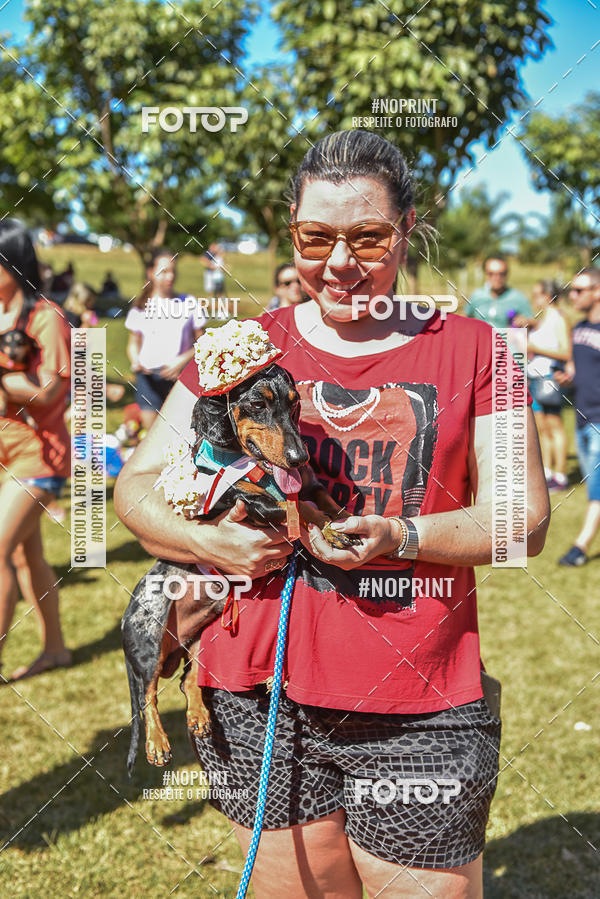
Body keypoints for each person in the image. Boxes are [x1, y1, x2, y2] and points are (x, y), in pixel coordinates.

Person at [115, 130, 549, 898]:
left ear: (407, 230)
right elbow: (136, 484)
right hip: (257, 696)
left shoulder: (481, 350)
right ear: (293, 233)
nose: (340, 261)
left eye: (367, 237)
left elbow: (525, 519)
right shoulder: (242, 346)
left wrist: (403, 536)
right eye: (316, 238)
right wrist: (208, 538)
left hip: (417, 706)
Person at [0, 219, 71, 681]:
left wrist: (4, 382)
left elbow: (49, 391)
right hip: (4, 452)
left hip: (39, 457)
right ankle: (56, 650)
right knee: (28, 557)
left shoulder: (45, 316)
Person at [125, 248, 206, 432]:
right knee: (151, 435)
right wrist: (136, 360)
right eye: (164, 272)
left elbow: (202, 342)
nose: (170, 276)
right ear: (151, 273)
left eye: (173, 271)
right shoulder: (140, 306)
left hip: (180, 379)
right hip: (148, 379)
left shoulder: (189, 303)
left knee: (181, 433)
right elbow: (133, 344)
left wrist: (181, 361)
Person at [556, 267, 600, 566]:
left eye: (579, 290)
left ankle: (580, 547)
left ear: (597, 292)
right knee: (593, 485)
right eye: (572, 290)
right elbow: (578, 369)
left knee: (597, 488)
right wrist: (568, 378)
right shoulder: (579, 328)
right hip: (582, 419)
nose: (573, 295)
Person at [524, 280, 570, 491]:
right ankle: (547, 472)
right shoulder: (543, 320)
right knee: (542, 428)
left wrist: (535, 348)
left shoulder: (559, 318)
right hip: (535, 379)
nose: (534, 299)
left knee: (555, 426)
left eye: (537, 294)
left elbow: (566, 352)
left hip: (549, 379)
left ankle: (560, 475)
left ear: (547, 296)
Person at [467, 254, 532, 329]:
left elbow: (532, 322)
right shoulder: (476, 295)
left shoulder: (518, 297)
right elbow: (465, 319)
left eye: (501, 274)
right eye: (491, 274)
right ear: (485, 273)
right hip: (480, 336)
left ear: (507, 274)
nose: (496, 278)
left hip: (507, 336)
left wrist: (525, 322)